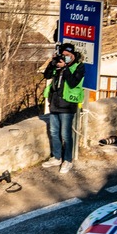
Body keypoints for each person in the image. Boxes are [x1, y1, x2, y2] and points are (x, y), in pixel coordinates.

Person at [42, 43, 86, 174]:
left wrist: (65, 68)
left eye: (68, 55)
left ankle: (68, 160)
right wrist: (52, 63)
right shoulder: (58, 65)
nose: (65, 57)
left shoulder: (79, 67)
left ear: (73, 55)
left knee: (65, 135)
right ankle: (56, 157)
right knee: (54, 132)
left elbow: (73, 83)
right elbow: (47, 76)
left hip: (67, 105)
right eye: (63, 55)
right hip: (55, 103)